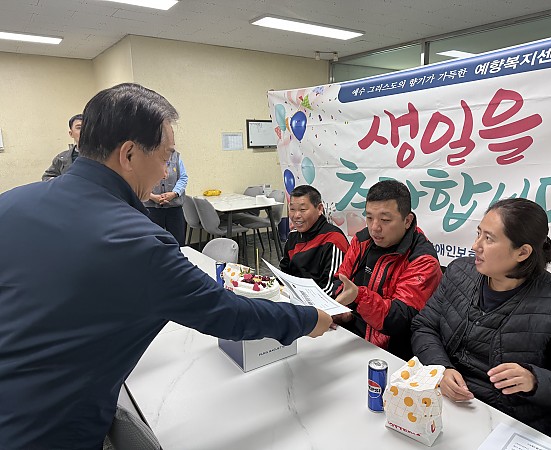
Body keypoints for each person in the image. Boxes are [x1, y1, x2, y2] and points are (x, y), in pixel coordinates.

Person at [0, 83, 332, 450]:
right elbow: (227, 313)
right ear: (128, 154)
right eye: (164, 157)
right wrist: (307, 319)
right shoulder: (136, 242)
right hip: (48, 431)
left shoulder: (11, 204)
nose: (164, 172)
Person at [411, 198, 551, 445]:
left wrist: (535, 381)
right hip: (447, 405)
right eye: (478, 234)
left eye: (489, 239)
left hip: (512, 426)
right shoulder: (460, 272)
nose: (475, 246)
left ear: (522, 252)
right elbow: (424, 327)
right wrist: (440, 368)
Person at [332, 179, 442, 360]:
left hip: (391, 354)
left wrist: (358, 296)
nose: (375, 228)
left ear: (407, 221)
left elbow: (399, 319)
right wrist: (345, 312)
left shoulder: (423, 260)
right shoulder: (362, 240)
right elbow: (340, 280)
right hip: (349, 336)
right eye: (369, 218)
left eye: (385, 220)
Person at [280, 185, 349, 295]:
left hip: (319, 302)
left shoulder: (333, 240)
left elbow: (334, 288)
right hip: (292, 296)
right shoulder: (293, 235)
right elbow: (284, 273)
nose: (296, 215)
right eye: (292, 209)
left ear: (319, 209)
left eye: (303, 210)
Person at [143, 149, 188, 245]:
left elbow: (183, 178)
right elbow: (140, 179)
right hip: (152, 207)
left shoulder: (176, 156)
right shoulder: (146, 154)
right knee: (154, 241)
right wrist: (152, 196)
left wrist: (174, 193)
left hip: (174, 207)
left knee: (178, 241)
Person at [42, 113, 83, 181]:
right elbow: (47, 176)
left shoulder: (100, 156)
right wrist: (60, 182)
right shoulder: (61, 158)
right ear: (71, 133)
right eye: (79, 128)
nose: (84, 131)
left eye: (87, 127)